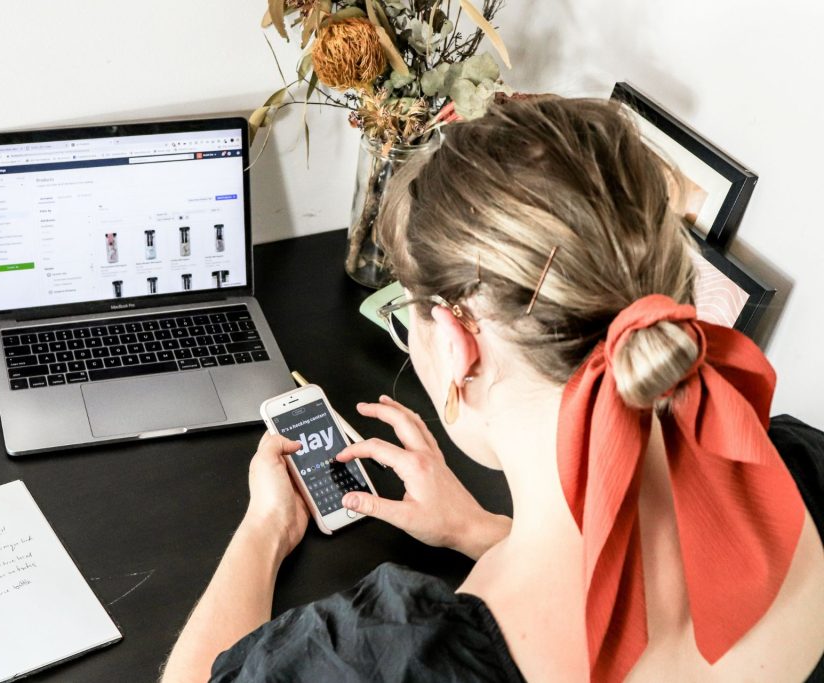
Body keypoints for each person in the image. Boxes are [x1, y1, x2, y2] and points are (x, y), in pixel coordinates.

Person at [161, 97, 824, 682]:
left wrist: (267, 525)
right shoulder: (798, 472)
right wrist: (482, 532)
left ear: (457, 344)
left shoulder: (381, 657)